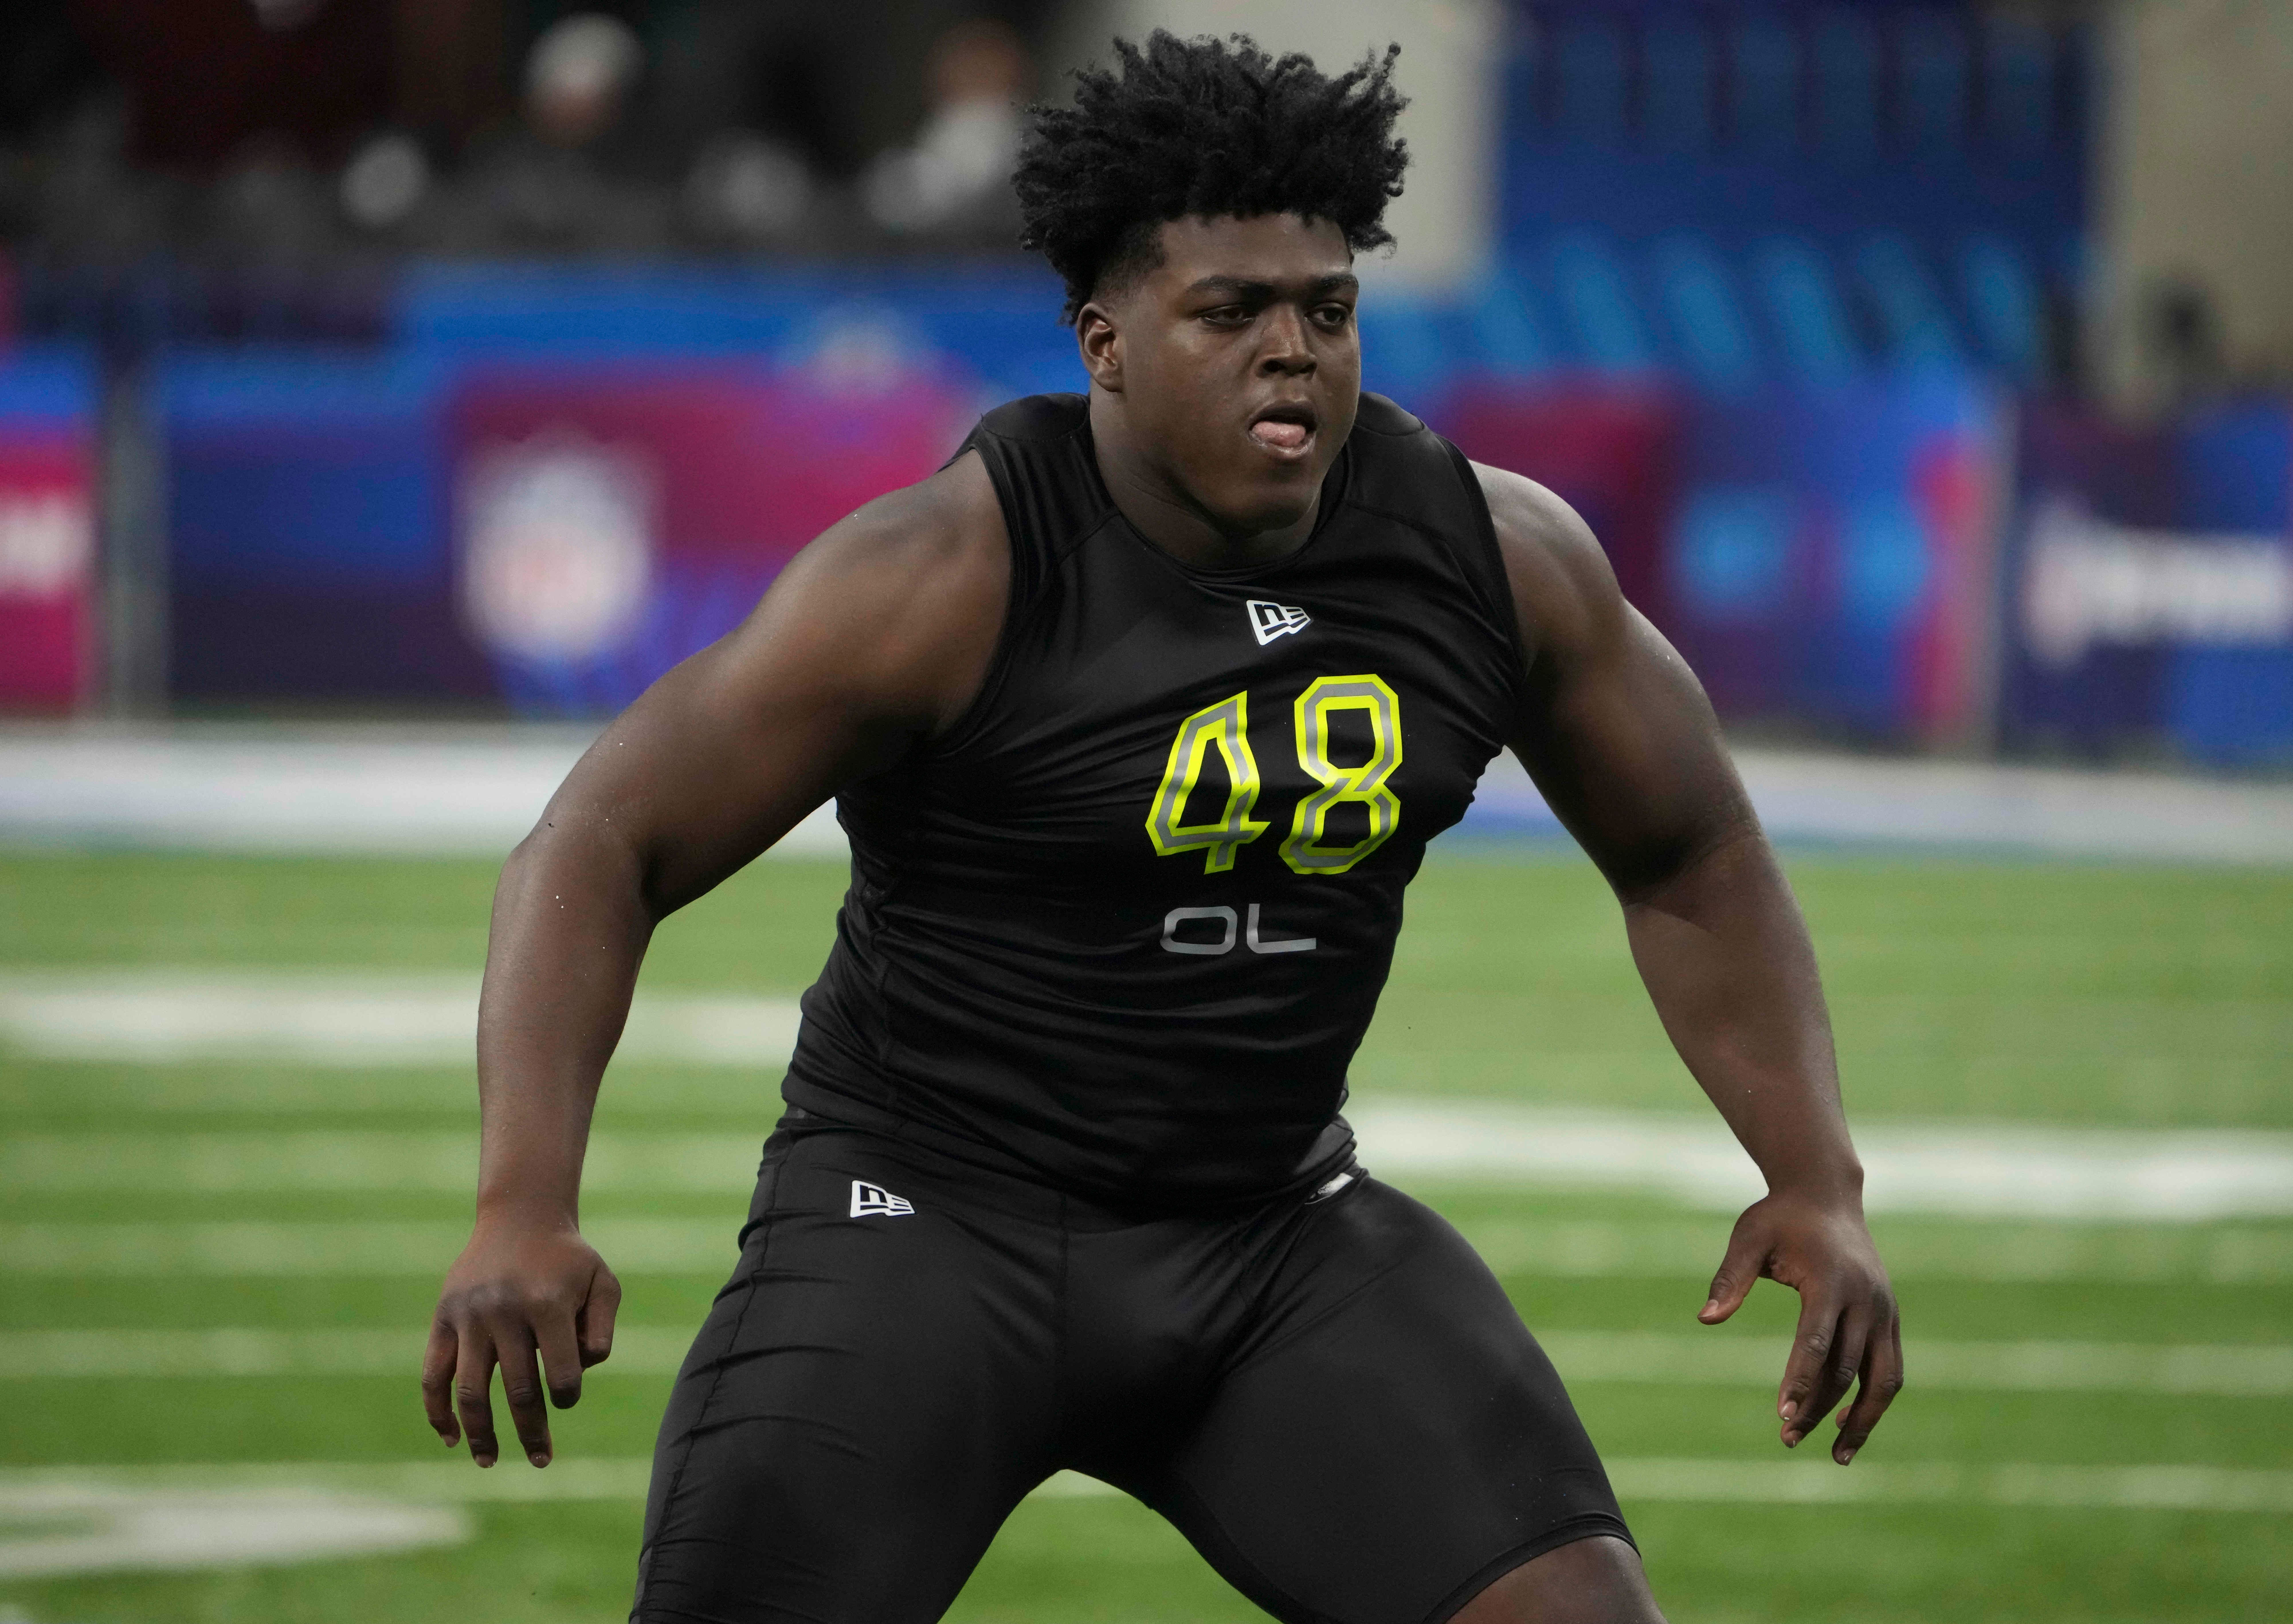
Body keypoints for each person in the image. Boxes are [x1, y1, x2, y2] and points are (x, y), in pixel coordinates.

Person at [422, 32, 1903, 1624]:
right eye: (1230, 312)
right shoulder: (945, 571)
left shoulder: (1494, 554)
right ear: (1104, 340)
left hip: (1267, 1229)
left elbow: (1692, 848)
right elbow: (597, 836)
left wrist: (1812, 1173)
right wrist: (523, 1198)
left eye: (1325, 311)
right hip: (923, 1224)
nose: (1293, 354)